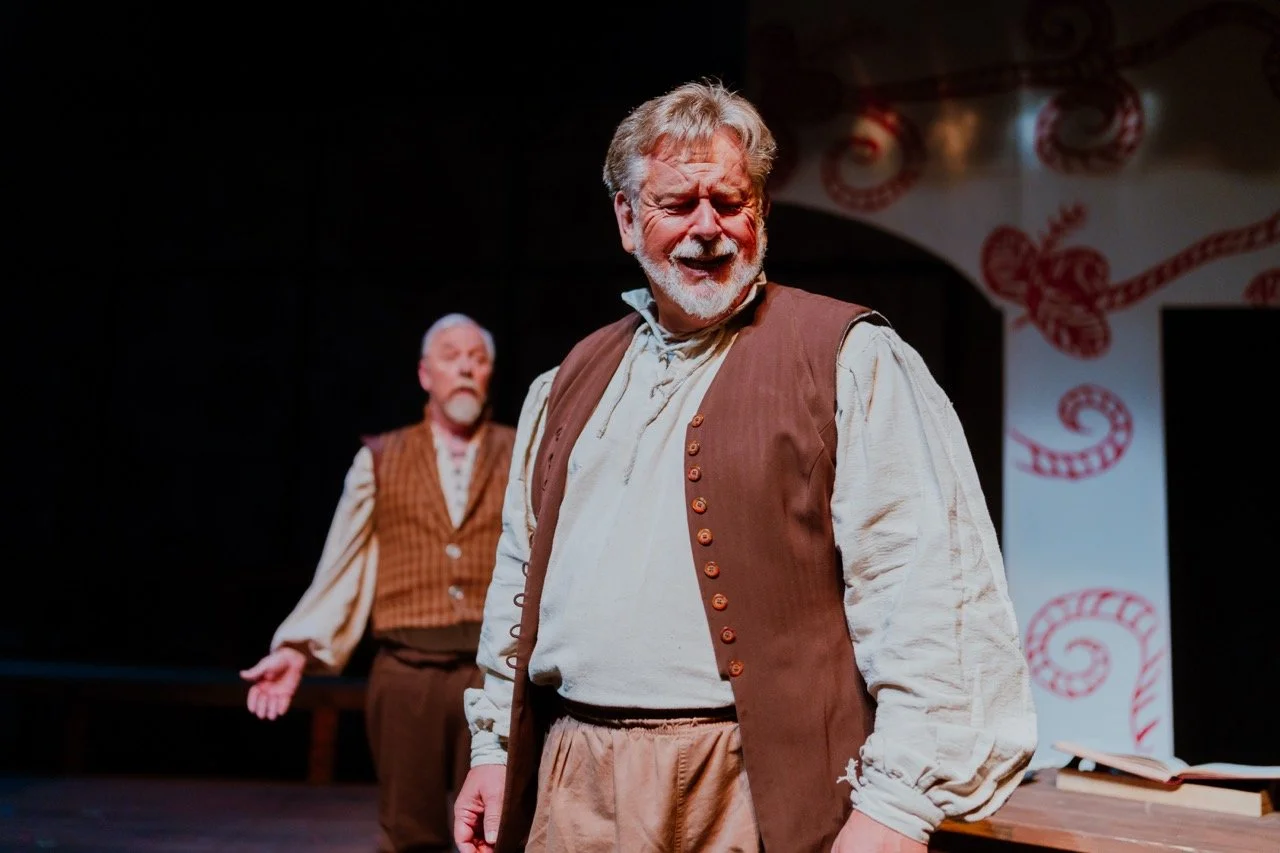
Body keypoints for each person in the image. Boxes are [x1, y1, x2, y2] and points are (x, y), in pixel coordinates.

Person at [453, 80, 1037, 853]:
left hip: (745, 784)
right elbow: (519, 578)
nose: (707, 229)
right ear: (627, 219)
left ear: (759, 214)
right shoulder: (565, 383)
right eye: (677, 203)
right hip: (574, 772)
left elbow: (928, 587)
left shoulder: (850, 359)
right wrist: (495, 746)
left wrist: (898, 806)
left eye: (729, 202)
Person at [241, 313, 516, 853]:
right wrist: (298, 647)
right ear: (424, 373)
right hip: (405, 669)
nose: (465, 367)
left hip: (493, 673)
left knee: (495, 828)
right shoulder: (381, 456)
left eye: (477, 359)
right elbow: (344, 561)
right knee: (408, 826)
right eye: (451, 356)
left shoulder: (522, 450)